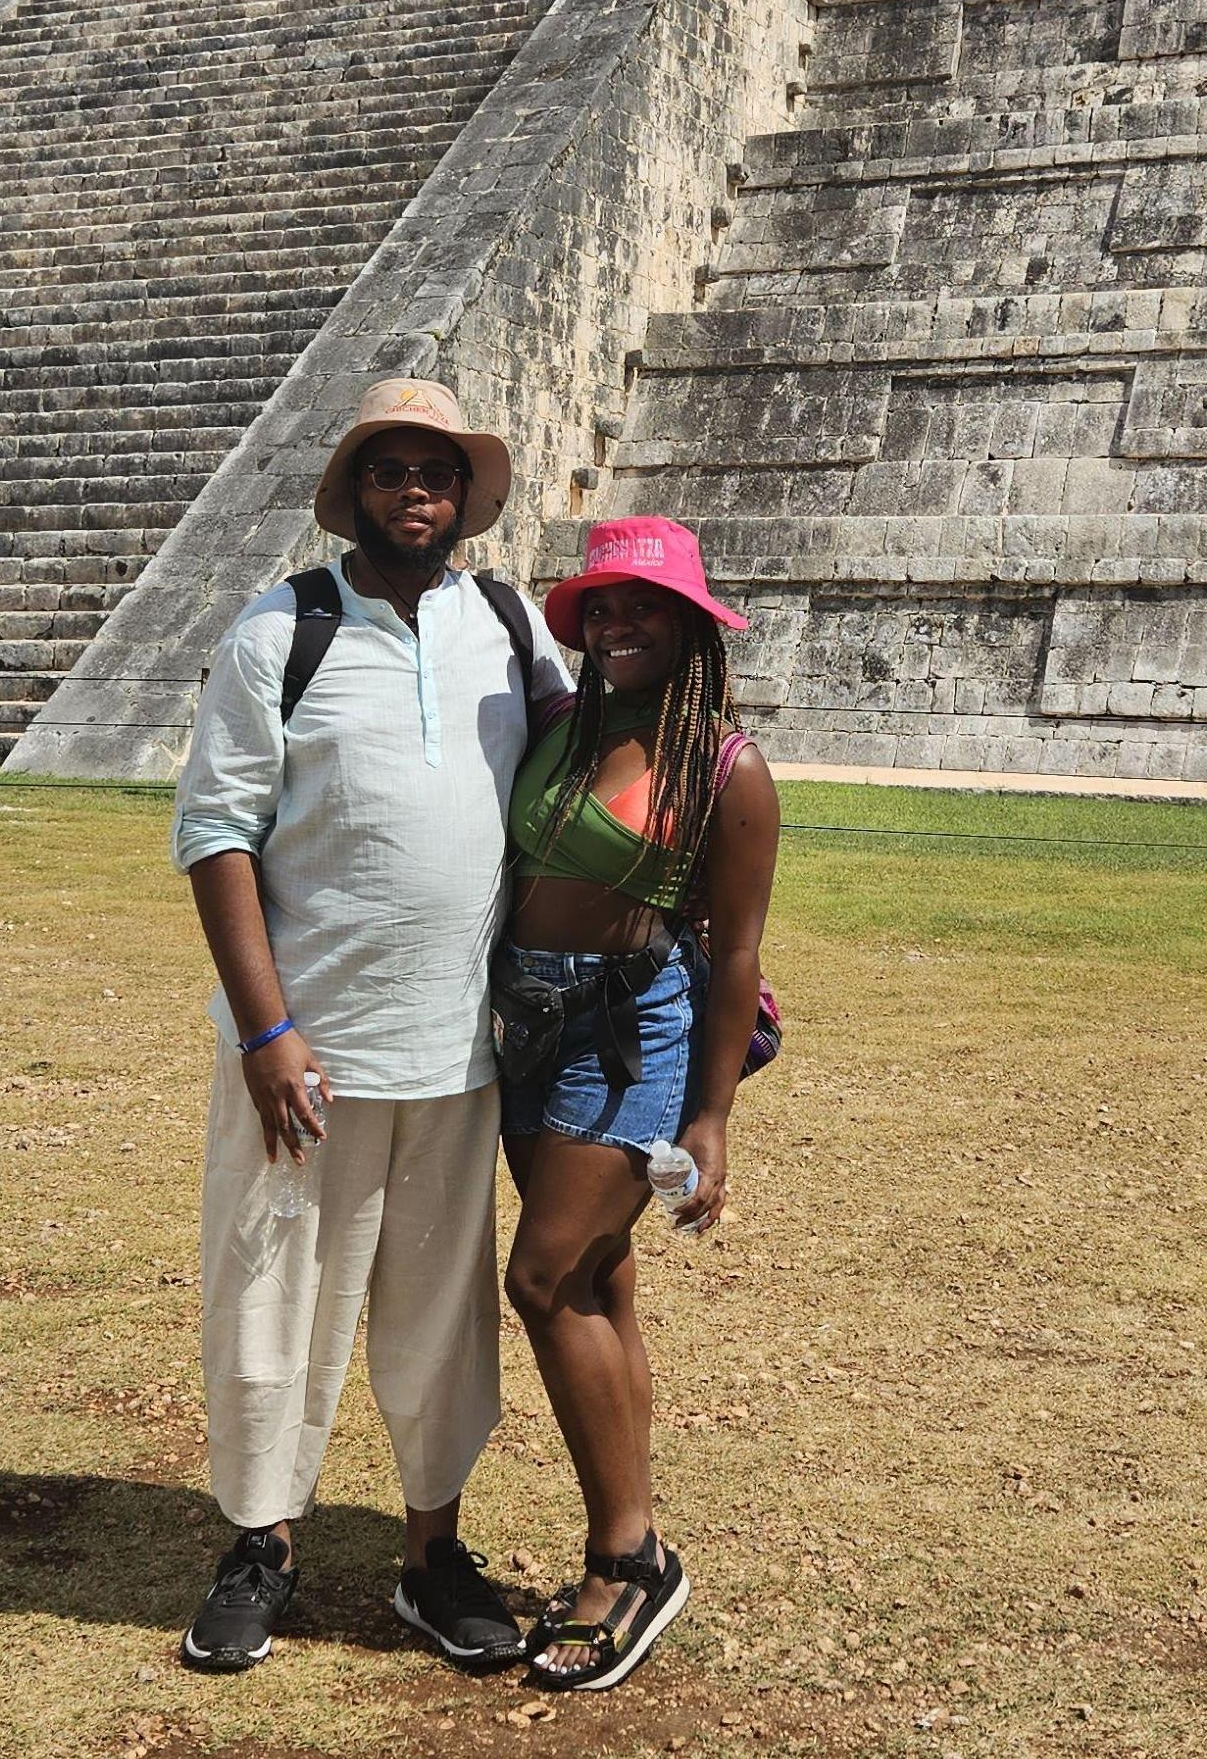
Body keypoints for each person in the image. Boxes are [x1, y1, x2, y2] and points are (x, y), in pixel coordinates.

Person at [168, 376, 572, 1678]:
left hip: (459, 1053)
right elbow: (215, 837)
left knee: (439, 1317)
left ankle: (431, 1553)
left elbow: (584, 776)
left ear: (464, 498)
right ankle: (260, 1545)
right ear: (359, 493)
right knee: (274, 1299)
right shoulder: (277, 633)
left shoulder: (508, 629)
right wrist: (265, 1030)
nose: (418, 492)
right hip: (311, 1055)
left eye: (439, 472)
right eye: (394, 470)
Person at [495, 514, 781, 1693]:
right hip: (524, 1022)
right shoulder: (562, 726)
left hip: (626, 1033)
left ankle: (630, 1556)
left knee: (545, 1277)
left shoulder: (727, 768)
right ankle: (633, 1513)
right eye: (601, 608)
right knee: (602, 1278)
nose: (617, 627)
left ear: (691, 629)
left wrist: (710, 1120)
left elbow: (734, 957)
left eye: (643, 609)